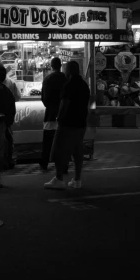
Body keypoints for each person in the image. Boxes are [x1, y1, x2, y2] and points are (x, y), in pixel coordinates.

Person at [44, 60, 90, 190]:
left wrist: (59, 117)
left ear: (68, 70)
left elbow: (65, 104)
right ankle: (77, 179)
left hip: (68, 122)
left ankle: (59, 178)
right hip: (81, 122)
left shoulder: (68, 85)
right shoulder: (84, 85)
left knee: (59, 150)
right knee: (77, 151)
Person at [40, 57, 68, 172]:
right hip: (64, 115)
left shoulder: (47, 79)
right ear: (60, 65)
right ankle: (63, 166)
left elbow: (44, 98)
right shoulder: (66, 79)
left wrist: (50, 106)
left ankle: (44, 164)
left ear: (51, 66)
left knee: (47, 142)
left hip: (50, 115)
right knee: (63, 142)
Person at [0, 61, 21, 168]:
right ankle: (8, 161)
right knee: (7, 141)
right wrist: (9, 120)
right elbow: (17, 98)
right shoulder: (10, 85)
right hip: (4, 121)